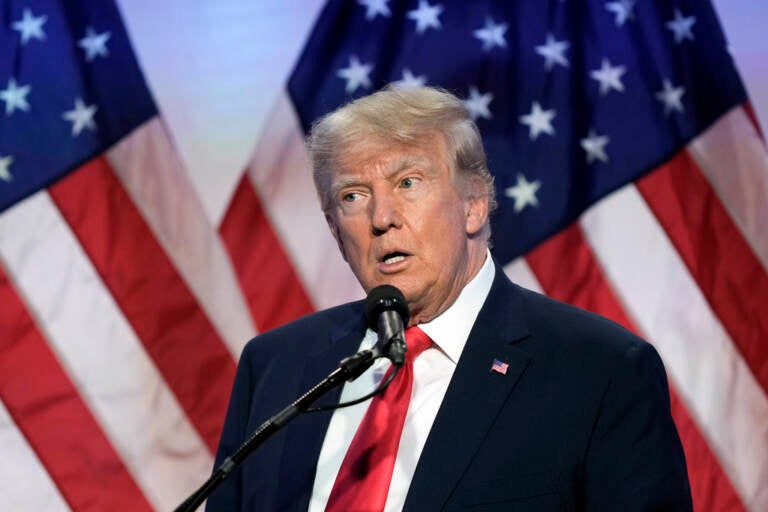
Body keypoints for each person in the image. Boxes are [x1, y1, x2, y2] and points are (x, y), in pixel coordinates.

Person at [207, 86, 692, 511]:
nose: (381, 217)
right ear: (335, 229)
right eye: (352, 196)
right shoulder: (276, 366)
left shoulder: (599, 371)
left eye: (407, 183)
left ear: (474, 203)